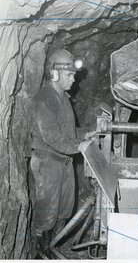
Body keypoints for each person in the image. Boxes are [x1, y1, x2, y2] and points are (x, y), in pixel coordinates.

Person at [29, 49, 95, 256]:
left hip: (63, 163)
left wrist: (89, 132)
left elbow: (68, 133)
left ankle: (54, 249)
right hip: (47, 165)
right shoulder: (44, 99)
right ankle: (42, 253)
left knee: (63, 211)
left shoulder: (63, 99)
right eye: (69, 75)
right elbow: (52, 137)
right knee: (47, 214)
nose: (74, 80)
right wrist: (79, 147)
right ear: (54, 74)